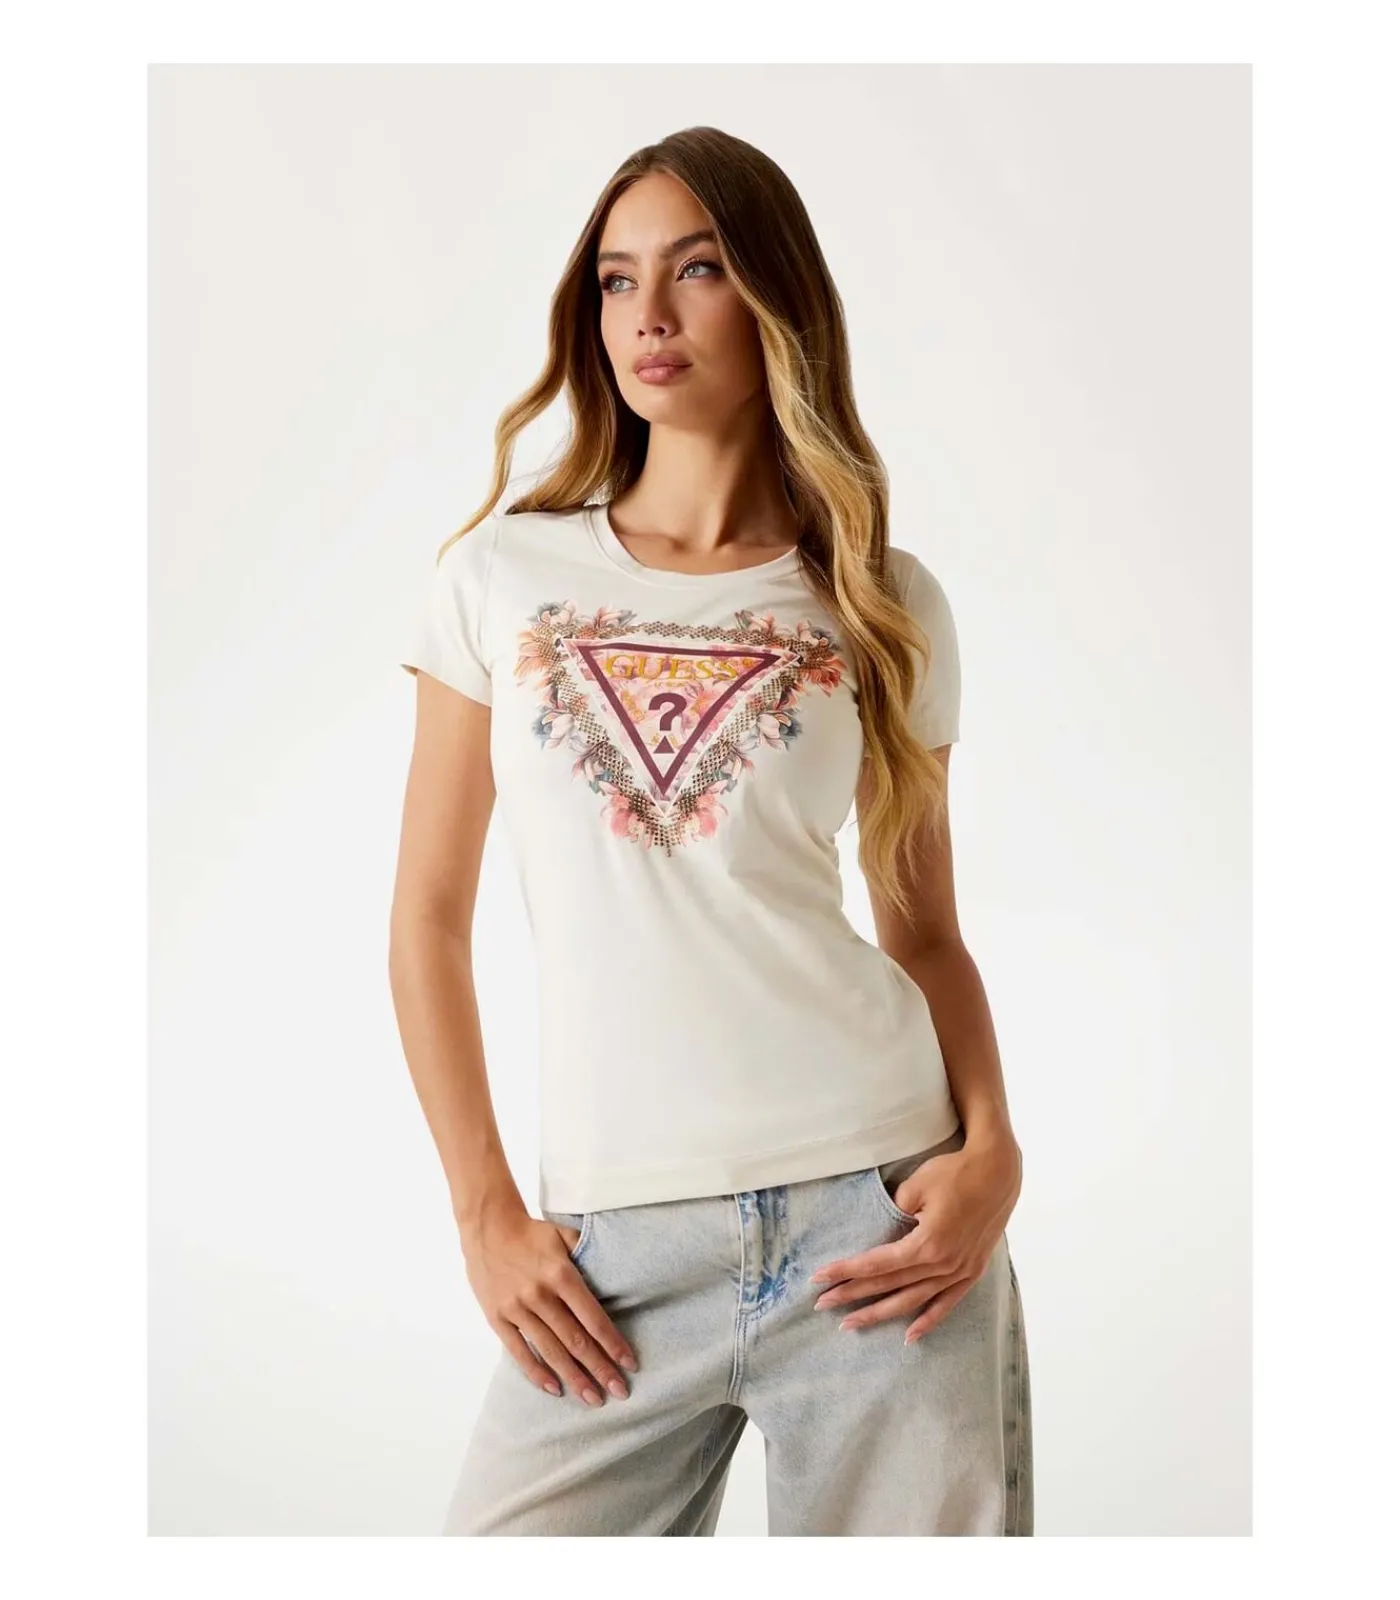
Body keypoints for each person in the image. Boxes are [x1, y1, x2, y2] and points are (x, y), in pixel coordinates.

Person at [389, 125, 1032, 1537]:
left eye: (697, 270)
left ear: (776, 300)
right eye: (617, 281)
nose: (649, 317)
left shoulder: (881, 601)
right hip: (610, 1261)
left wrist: (993, 1147)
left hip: (881, 1229)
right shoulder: (500, 578)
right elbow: (427, 920)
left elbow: (925, 931)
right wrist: (485, 1213)